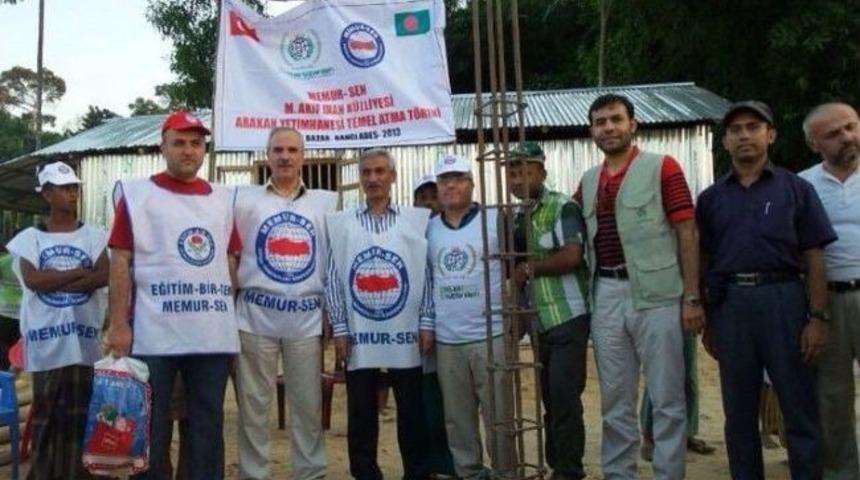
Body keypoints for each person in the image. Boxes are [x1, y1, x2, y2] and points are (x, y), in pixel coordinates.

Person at [697, 101, 834, 479]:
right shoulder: (711, 199)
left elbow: (815, 255)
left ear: (770, 134)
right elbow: (704, 259)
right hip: (732, 307)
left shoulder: (797, 189)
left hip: (784, 302)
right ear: (724, 141)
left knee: (798, 406)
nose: (744, 135)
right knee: (738, 412)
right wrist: (710, 319)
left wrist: (818, 318)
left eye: (753, 127)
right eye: (736, 129)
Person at [105, 111, 241, 480]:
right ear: (162, 145)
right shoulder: (137, 195)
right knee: (150, 425)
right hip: (154, 334)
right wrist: (118, 324)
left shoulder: (223, 199)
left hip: (211, 337)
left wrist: (229, 322)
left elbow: (228, 262)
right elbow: (120, 260)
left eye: (196, 144)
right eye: (179, 142)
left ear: (204, 150)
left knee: (207, 425)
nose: (188, 151)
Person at [575, 94, 702, 479]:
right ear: (592, 131)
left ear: (633, 125)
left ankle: (668, 473)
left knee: (667, 397)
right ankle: (619, 474)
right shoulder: (589, 180)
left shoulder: (662, 167)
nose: (608, 127)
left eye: (616, 119)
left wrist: (691, 295)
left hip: (660, 294)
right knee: (615, 399)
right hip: (607, 293)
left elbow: (686, 231)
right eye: (600, 122)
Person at [232, 127, 335, 480]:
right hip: (254, 318)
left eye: (292, 150)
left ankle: (311, 474)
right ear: (267, 154)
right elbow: (230, 252)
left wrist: (331, 313)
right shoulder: (243, 199)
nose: (285, 156)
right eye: (278, 149)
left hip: (305, 321)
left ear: (303, 156)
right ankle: (253, 474)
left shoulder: (327, 202)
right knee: (253, 406)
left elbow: (334, 260)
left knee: (308, 405)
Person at [325, 148, 432, 480]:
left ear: (392, 177)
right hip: (359, 333)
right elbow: (333, 277)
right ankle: (366, 473)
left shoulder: (414, 222)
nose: (373, 178)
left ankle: (416, 472)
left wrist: (426, 322)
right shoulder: (342, 224)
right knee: (360, 411)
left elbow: (424, 274)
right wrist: (340, 328)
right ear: (360, 178)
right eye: (367, 172)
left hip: (406, 331)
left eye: (380, 171)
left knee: (412, 409)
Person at [6, 161, 109, 480]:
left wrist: (60, 277)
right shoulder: (29, 239)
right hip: (46, 342)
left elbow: (103, 275)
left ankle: (79, 474)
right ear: (47, 193)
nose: (72, 194)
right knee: (47, 416)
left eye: (74, 187)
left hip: (84, 343)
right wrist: (81, 271)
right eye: (64, 188)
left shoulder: (95, 236)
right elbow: (34, 280)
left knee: (81, 414)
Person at [426, 154, 515, 479]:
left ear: (471, 183)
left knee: (501, 416)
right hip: (448, 338)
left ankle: (506, 472)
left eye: (458, 178)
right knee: (458, 419)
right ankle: (470, 473)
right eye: (444, 179)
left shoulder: (494, 219)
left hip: (489, 335)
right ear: (437, 187)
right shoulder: (430, 228)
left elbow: (514, 267)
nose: (451, 185)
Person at [508, 141, 590, 480]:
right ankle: (558, 464)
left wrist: (530, 269)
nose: (518, 178)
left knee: (564, 397)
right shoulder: (516, 217)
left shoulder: (562, 207)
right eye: (512, 172)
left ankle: (569, 470)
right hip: (541, 321)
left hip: (568, 316)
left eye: (526, 170)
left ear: (542, 171)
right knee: (549, 400)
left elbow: (573, 255)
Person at [799, 102, 860, 480]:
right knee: (832, 398)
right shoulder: (802, 185)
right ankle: (841, 473)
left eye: (851, 127)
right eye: (833, 134)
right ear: (814, 144)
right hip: (828, 302)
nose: (847, 137)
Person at [412, 171, 457, 479]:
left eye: (432, 196)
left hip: (452, 328)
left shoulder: (451, 231)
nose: (428, 203)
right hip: (418, 330)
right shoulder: (410, 231)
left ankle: (450, 464)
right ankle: (429, 464)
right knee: (425, 399)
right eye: (422, 198)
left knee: (450, 400)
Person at [639, 334, 715, 462]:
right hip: (661, 316)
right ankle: (649, 435)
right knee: (658, 371)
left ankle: (687, 433)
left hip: (687, 320)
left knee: (689, 375)